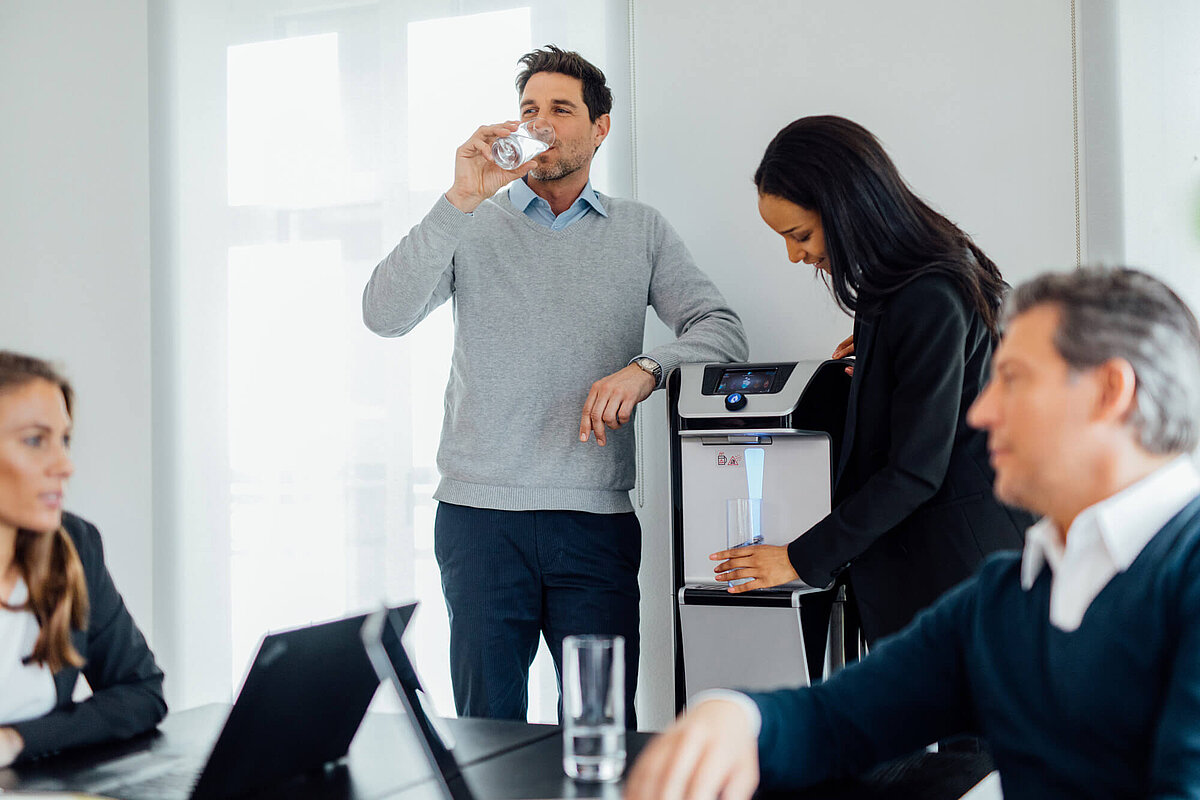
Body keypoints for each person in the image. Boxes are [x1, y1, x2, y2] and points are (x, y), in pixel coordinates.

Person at [627, 267, 1200, 799]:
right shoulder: (1007, 594)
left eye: (1012, 380)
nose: (981, 413)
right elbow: (839, 720)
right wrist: (735, 717)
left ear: (1108, 391)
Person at [362, 46, 747, 724]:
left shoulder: (640, 230)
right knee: (487, 734)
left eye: (560, 109)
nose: (539, 123)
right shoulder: (470, 221)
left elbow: (722, 330)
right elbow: (383, 315)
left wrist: (647, 368)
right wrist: (460, 198)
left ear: (599, 129)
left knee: (601, 727)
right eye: (529, 109)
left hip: (593, 524)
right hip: (479, 521)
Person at [709, 115, 1030, 643]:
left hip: (956, 569)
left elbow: (915, 471)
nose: (795, 255)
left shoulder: (928, 293)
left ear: (846, 208)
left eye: (800, 235)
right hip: (939, 568)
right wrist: (887, 362)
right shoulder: (910, 285)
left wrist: (797, 558)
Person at [0, 351, 166, 767]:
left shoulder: (73, 545)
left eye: (65, 440)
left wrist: (17, 740)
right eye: (35, 440)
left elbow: (141, 692)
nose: (65, 465)